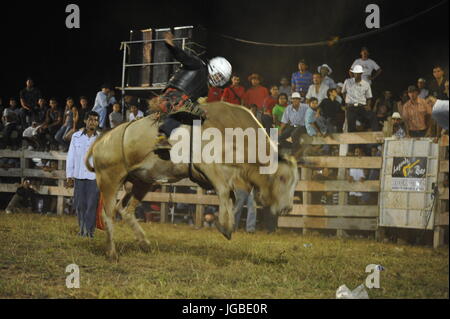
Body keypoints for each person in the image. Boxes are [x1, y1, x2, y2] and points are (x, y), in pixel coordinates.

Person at [154, 31, 232, 150]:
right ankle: (161, 137)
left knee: (201, 116)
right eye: (219, 76)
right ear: (214, 68)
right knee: (184, 109)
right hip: (174, 95)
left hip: (183, 101)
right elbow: (182, 56)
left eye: (221, 78)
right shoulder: (198, 65)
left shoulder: (205, 89)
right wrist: (171, 44)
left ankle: (192, 145)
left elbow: (196, 103)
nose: (218, 80)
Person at [66, 111, 100, 238]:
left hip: (94, 178)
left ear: (98, 123)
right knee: (80, 205)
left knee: (91, 206)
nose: (93, 122)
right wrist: (69, 175)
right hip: (79, 176)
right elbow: (71, 156)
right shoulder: (76, 137)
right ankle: (82, 230)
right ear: (85, 121)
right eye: (90, 119)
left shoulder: (100, 138)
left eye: (96, 120)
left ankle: (89, 232)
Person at [342, 65, 378, 132]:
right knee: (351, 126)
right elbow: (343, 92)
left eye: (358, 73)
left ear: (361, 73)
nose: (356, 74)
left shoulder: (366, 84)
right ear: (353, 73)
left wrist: (368, 105)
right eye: (355, 73)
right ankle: (352, 141)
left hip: (362, 107)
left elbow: (369, 97)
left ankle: (375, 134)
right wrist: (346, 101)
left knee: (372, 115)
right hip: (351, 107)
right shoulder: (347, 81)